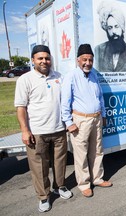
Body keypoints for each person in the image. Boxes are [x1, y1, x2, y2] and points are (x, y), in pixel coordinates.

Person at [14, 45, 72, 213]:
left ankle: (60, 186)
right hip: (37, 132)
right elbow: (21, 108)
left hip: (58, 129)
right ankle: (43, 196)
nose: (44, 61)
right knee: (39, 166)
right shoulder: (25, 79)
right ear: (33, 60)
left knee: (60, 162)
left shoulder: (58, 77)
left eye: (47, 58)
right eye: (40, 58)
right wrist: (25, 130)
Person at [61, 44, 112, 198]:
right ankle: (84, 184)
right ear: (78, 60)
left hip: (96, 118)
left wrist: (103, 115)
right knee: (81, 153)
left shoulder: (94, 75)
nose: (88, 63)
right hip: (80, 120)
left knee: (97, 150)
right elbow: (65, 102)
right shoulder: (71, 76)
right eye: (85, 59)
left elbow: (100, 97)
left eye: (90, 60)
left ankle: (97, 178)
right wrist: (69, 122)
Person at [95, 2, 126, 72]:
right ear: (107, 30)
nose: (114, 31)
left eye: (116, 27)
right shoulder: (99, 50)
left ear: (122, 28)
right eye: (110, 28)